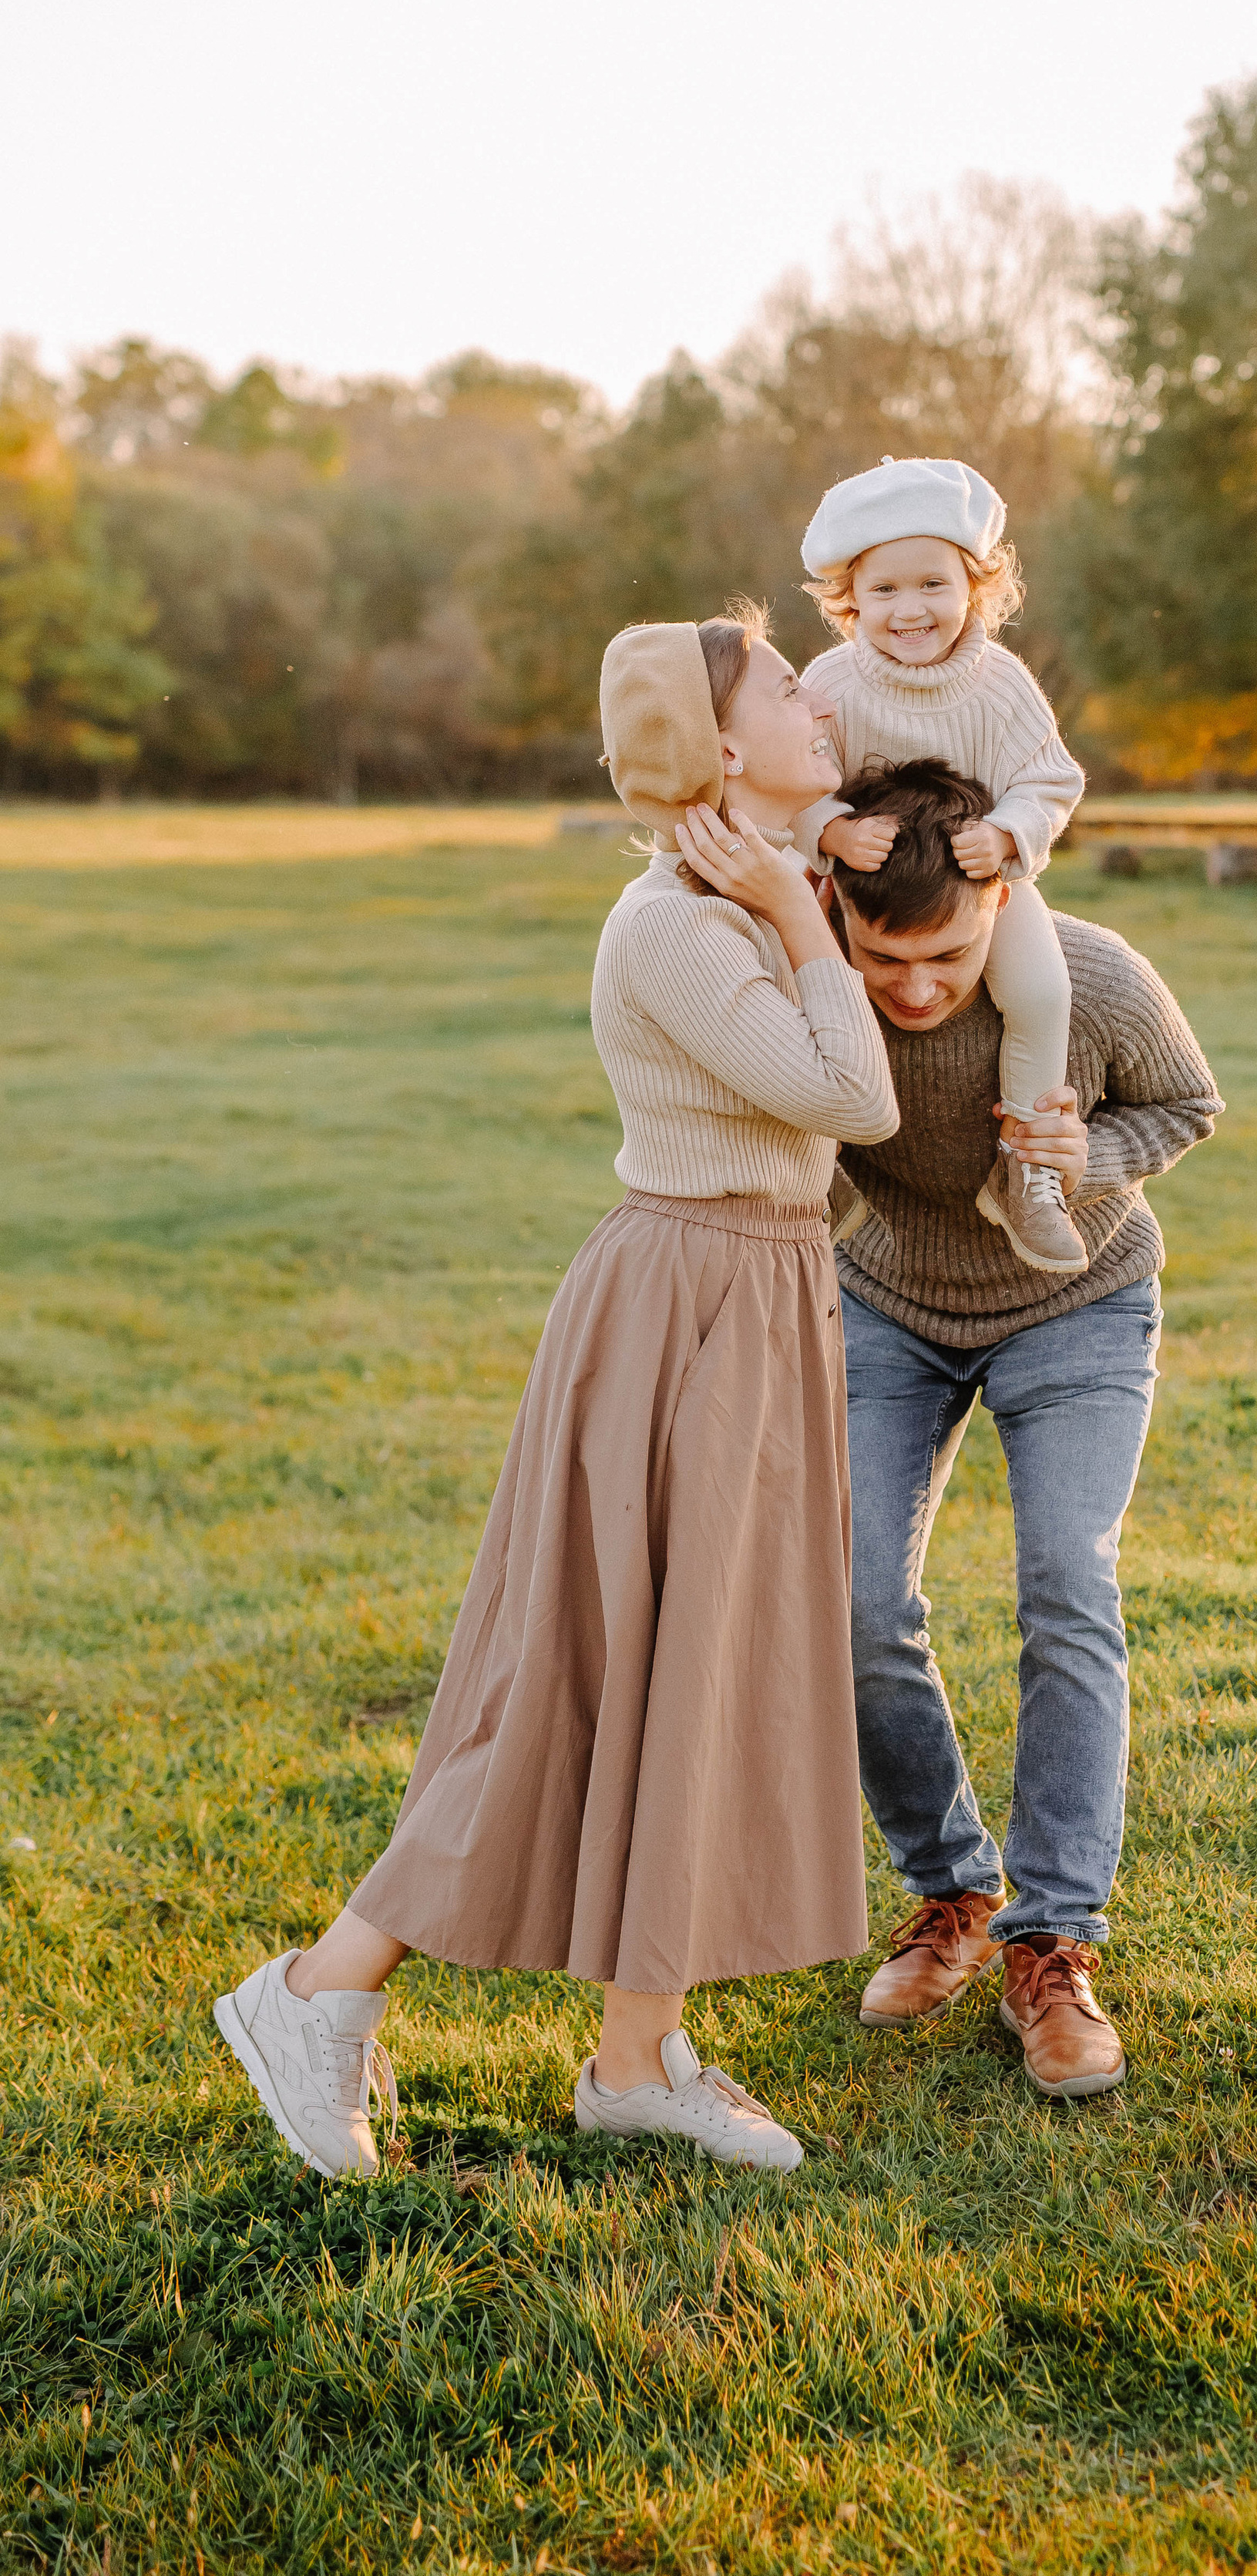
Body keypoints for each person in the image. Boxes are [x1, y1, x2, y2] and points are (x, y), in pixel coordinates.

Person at [213, 612, 899, 2180]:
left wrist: (798, 900)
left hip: (759, 1298)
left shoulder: (747, 898)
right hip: (679, 1311)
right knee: (573, 1677)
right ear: (719, 746)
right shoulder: (678, 927)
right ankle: (314, 1992)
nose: (817, 695)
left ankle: (636, 2057)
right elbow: (850, 1098)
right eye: (784, 683)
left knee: (701, 1675)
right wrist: (793, 912)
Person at [821, 760, 1223, 2098]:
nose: (915, 989)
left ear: (1001, 900)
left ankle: (1053, 1942)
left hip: (1077, 1305)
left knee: (1065, 1579)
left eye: (946, 957)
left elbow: (1188, 1103)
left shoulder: (1092, 980)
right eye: (885, 957)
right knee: (857, 1598)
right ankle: (952, 1892)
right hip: (889, 1304)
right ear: (839, 910)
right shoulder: (810, 984)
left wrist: (1086, 1158)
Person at [795, 456, 1088, 1276]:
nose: (909, 608)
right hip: (857, 894)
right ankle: (815, 1166)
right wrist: (830, 831)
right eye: (884, 589)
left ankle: (1026, 1169)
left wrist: (1006, 834)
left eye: (932, 583)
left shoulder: (1001, 685)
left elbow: (1050, 779)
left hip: (978, 893)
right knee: (799, 989)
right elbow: (791, 780)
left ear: (976, 587)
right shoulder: (830, 683)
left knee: (1042, 993)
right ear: (850, 598)